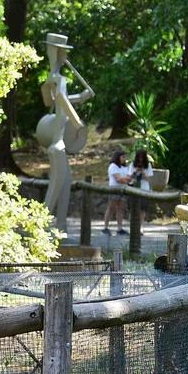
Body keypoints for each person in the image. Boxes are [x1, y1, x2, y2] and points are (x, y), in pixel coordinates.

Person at [35, 33, 93, 233]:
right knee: (55, 188)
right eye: (64, 51)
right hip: (58, 143)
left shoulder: (51, 77)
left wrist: (82, 97)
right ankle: (38, 228)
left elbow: (51, 101)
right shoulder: (60, 78)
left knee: (65, 184)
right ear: (59, 53)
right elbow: (60, 98)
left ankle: (60, 227)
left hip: (57, 143)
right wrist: (77, 124)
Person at [103, 151, 131, 236]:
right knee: (111, 208)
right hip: (114, 189)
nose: (124, 159)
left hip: (123, 189)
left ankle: (119, 228)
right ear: (118, 157)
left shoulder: (124, 167)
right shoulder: (113, 166)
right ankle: (106, 227)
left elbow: (129, 178)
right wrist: (126, 179)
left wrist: (126, 179)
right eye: (122, 157)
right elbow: (118, 179)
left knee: (121, 209)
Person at [130, 149, 152, 224]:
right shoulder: (132, 165)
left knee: (143, 208)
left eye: (142, 157)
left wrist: (143, 172)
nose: (140, 159)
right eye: (139, 157)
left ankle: (141, 225)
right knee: (134, 208)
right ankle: (134, 224)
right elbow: (129, 177)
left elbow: (150, 179)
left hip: (144, 188)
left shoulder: (148, 165)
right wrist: (135, 171)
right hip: (134, 188)